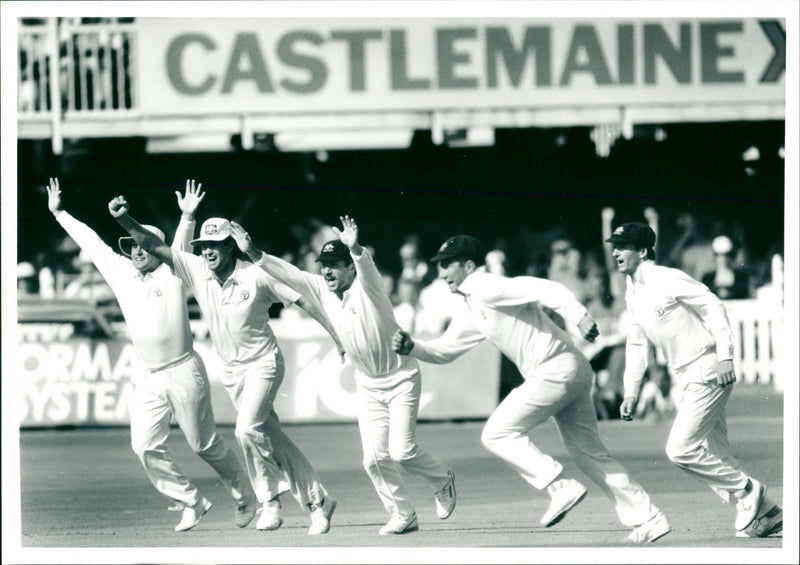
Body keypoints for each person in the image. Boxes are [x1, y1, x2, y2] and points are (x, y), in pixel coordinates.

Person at [392, 234, 672, 544]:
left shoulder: (486, 286)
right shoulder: (471, 305)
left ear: (468, 265)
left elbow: (547, 288)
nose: (440, 272)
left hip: (555, 368)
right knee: (589, 453)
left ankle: (558, 486)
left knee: (497, 433)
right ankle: (650, 518)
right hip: (570, 368)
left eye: (446, 265)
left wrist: (578, 316)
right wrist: (412, 347)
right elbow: (446, 350)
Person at [109, 195, 338, 535]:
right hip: (232, 372)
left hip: (263, 363)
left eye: (215, 245)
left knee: (246, 428)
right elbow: (152, 246)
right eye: (202, 246)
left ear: (230, 246)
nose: (207, 252)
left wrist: (337, 336)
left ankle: (269, 500)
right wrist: (124, 220)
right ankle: (318, 502)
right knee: (269, 436)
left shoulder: (256, 276)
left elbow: (303, 300)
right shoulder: (196, 269)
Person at [46, 177, 256, 533]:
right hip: (147, 375)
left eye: (144, 245)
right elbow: (93, 243)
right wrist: (60, 212)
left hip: (183, 370)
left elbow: (179, 244)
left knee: (202, 444)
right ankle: (191, 499)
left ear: (156, 246)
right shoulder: (122, 274)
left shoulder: (174, 271)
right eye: (131, 245)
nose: (137, 250)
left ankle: (243, 493)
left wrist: (188, 217)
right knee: (143, 444)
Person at [229, 215, 456, 536]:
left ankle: (441, 480)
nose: (328, 270)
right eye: (325, 264)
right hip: (367, 384)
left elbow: (367, 270)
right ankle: (403, 514)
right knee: (373, 458)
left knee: (401, 451)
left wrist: (357, 249)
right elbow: (289, 273)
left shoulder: (368, 287)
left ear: (349, 267)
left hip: (401, 379)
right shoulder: (322, 289)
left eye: (336, 264)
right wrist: (253, 252)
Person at [608, 221, 783, 538]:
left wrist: (725, 355)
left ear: (643, 251)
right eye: (615, 246)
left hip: (707, 369)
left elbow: (713, 305)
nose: (616, 252)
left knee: (680, 449)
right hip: (685, 377)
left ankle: (748, 489)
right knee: (717, 455)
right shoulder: (632, 292)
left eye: (623, 246)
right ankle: (768, 512)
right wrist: (630, 391)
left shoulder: (666, 278)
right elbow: (636, 343)